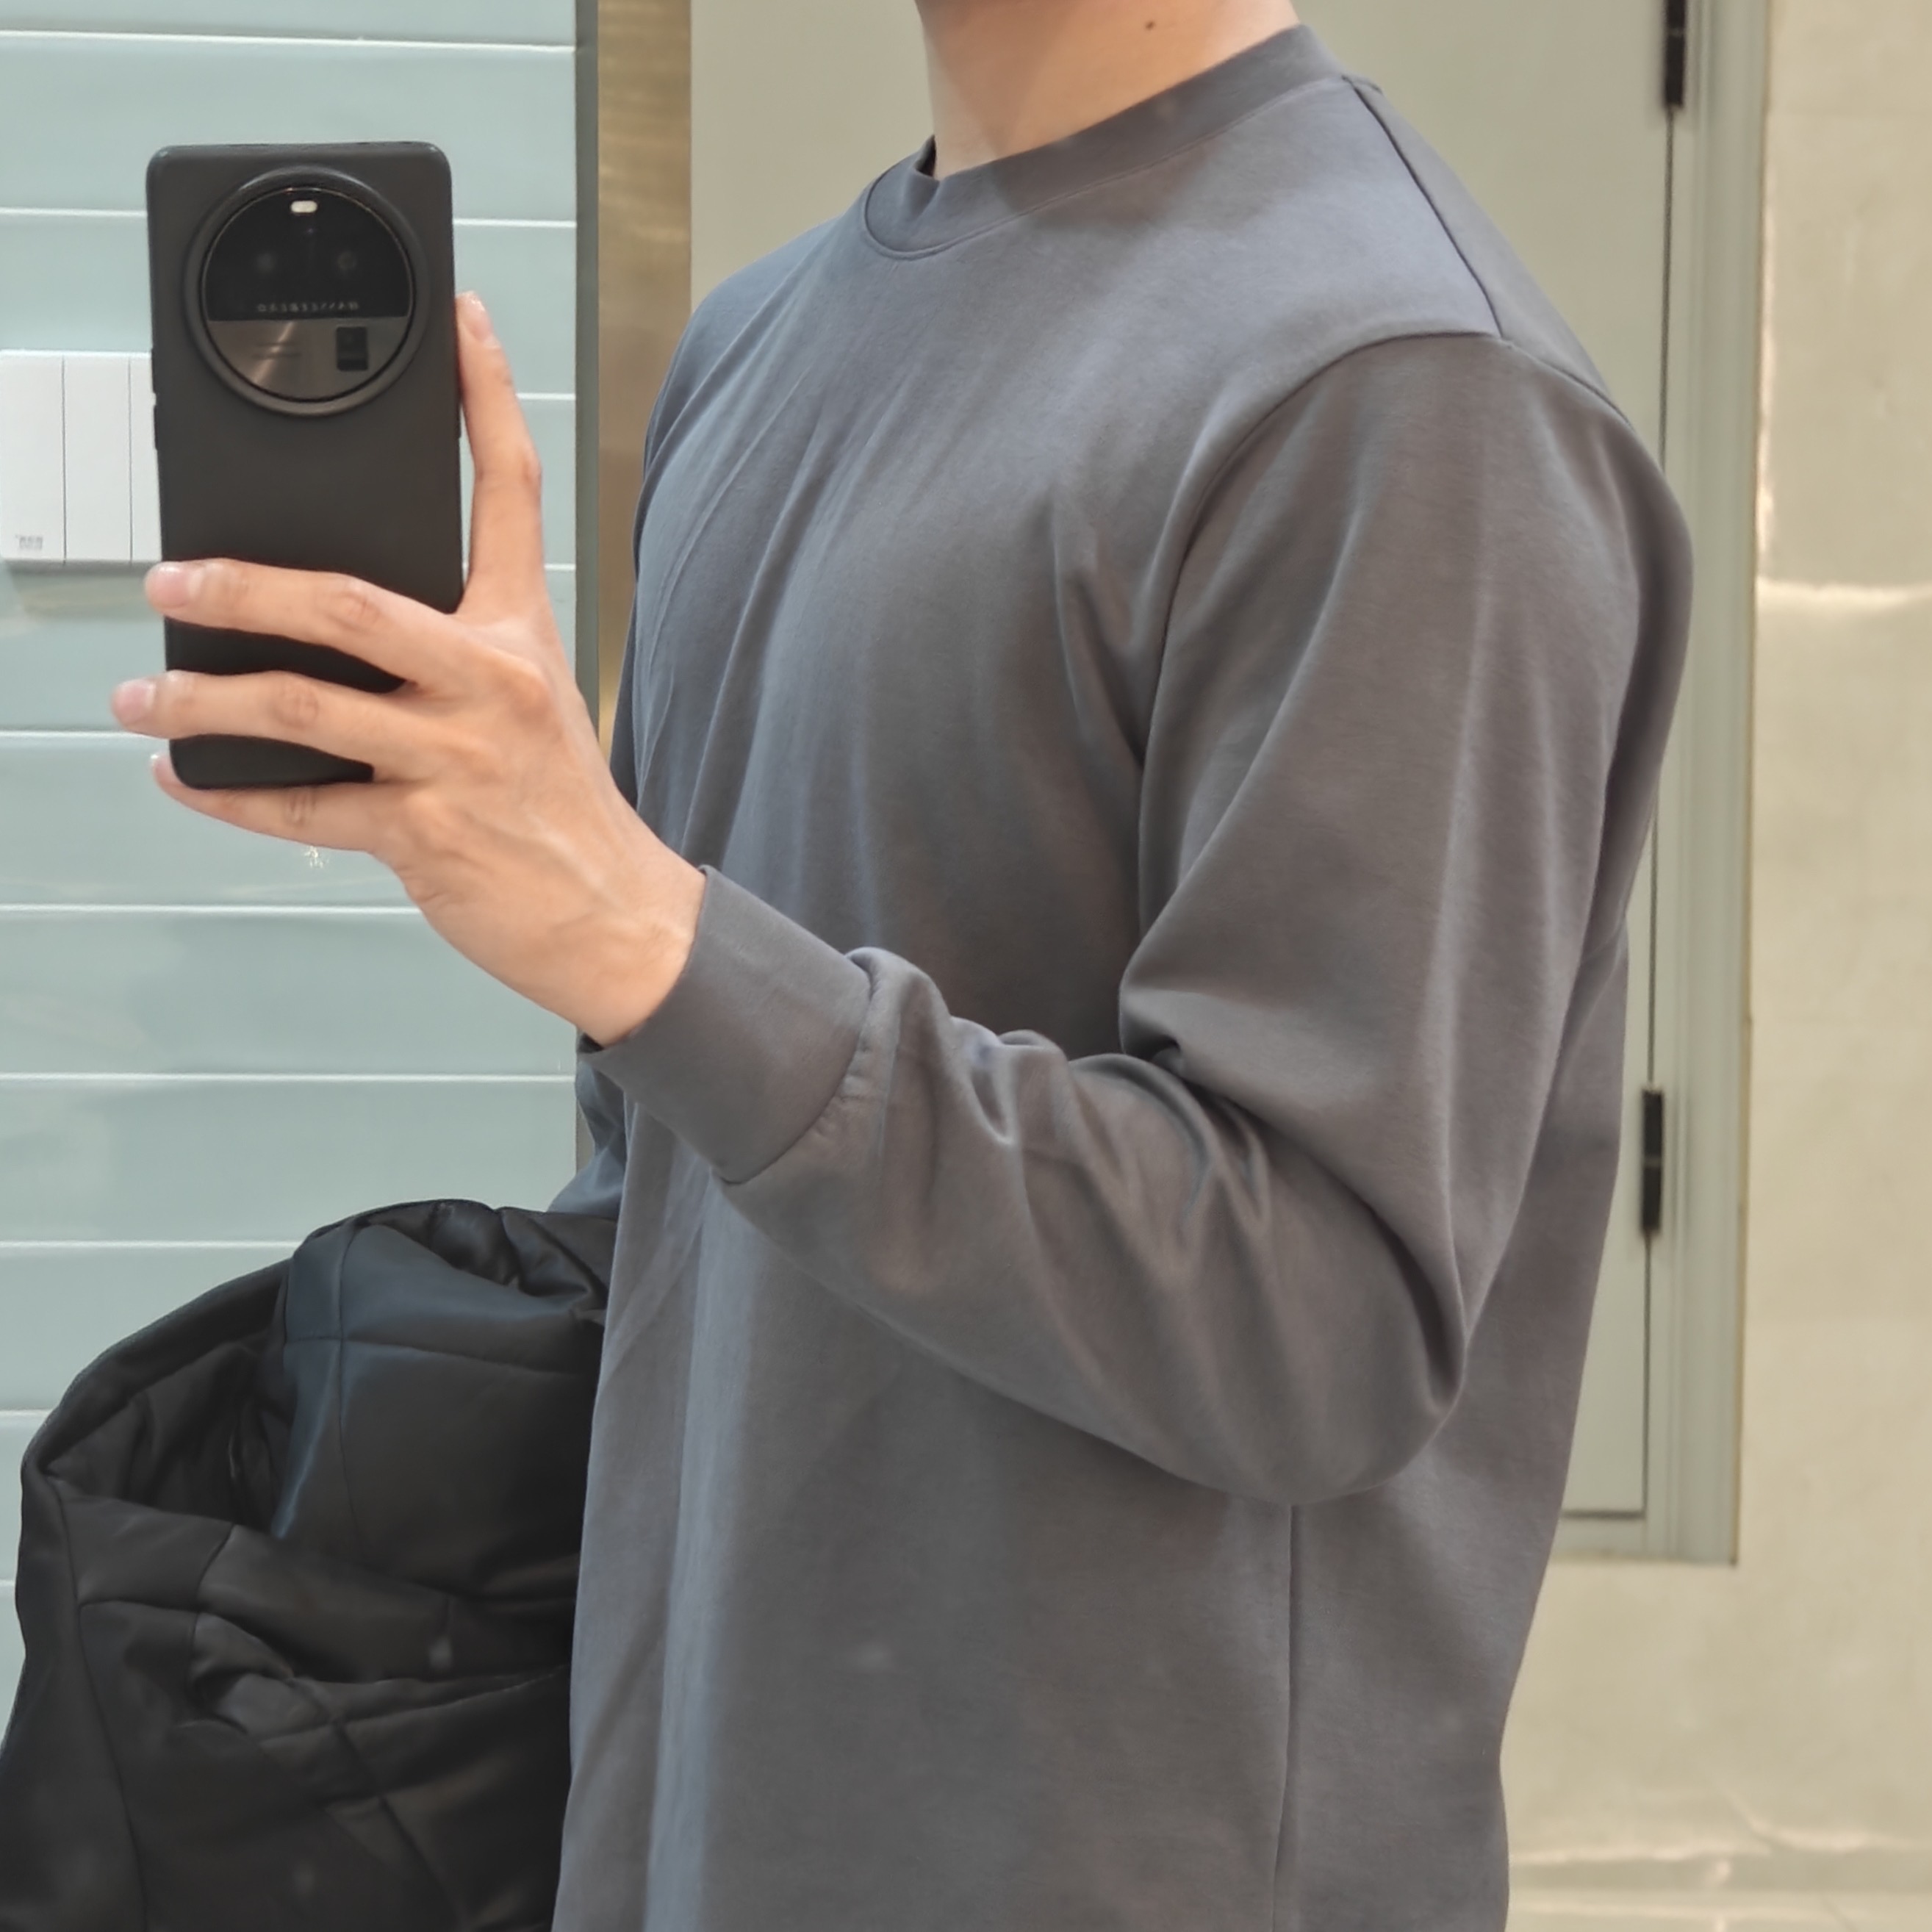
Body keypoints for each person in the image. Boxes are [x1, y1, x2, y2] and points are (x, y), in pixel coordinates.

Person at [110, 1, 1690, 1924]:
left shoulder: (1401, 393)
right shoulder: (760, 341)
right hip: (697, 1817)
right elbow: (686, 1177)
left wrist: (652, 940)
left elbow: (1317, 1319)